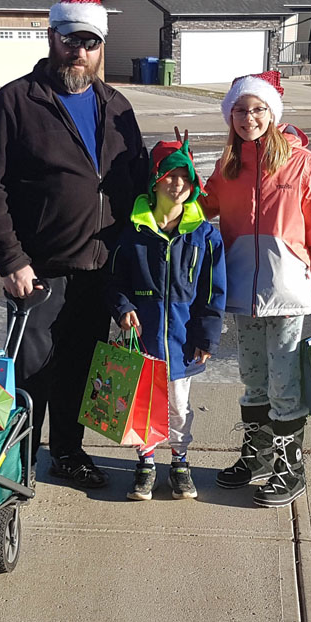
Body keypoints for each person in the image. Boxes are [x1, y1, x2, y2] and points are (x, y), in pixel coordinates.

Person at [0, 0, 149, 489]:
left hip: (100, 268)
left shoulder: (116, 106)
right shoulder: (15, 103)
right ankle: (19, 462)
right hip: (38, 270)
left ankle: (68, 453)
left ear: (101, 48)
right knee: (31, 374)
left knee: (81, 369)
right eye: (71, 39)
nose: (80, 51)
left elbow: (135, 181)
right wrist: (10, 261)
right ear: (52, 36)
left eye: (90, 43)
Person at [202, 71, 311, 507]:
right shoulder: (228, 167)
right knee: (253, 379)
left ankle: (291, 466)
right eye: (241, 110)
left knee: (285, 384)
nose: (249, 118)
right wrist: (177, 176)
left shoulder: (304, 165)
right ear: (231, 117)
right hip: (242, 292)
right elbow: (199, 206)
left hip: (287, 293)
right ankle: (258, 455)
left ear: (272, 112)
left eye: (258, 109)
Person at [108, 137, 226, 501]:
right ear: (155, 181)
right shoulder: (133, 232)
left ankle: (179, 460)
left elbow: (212, 292)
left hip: (182, 340)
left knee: (177, 405)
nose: (178, 185)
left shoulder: (204, 235)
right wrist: (123, 306)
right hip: (144, 338)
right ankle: (145, 462)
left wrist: (206, 336)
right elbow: (115, 279)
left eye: (185, 178)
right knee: (143, 404)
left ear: (194, 184)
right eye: (170, 177)